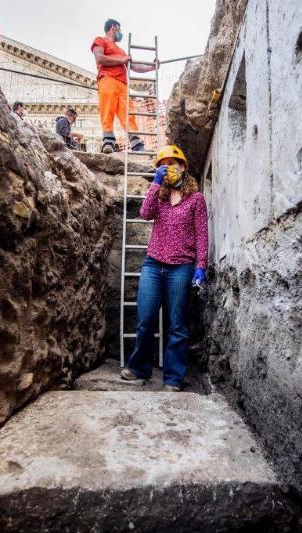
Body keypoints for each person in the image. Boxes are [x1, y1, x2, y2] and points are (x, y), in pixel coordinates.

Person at [120, 145, 208, 391]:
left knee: (177, 324)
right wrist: (155, 184)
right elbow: (145, 213)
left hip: (181, 267)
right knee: (145, 318)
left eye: (174, 163)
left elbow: (202, 234)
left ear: (183, 168)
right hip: (153, 264)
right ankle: (139, 368)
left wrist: (201, 266)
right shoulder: (159, 196)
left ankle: (173, 378)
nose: (169, 168)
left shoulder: (196, 199)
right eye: (163, 164)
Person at [91, 18, 157, 154]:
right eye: (119, 29)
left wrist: (152, 66)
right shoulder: (100, 40)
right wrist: (121, 60)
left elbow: (133, 66)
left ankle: (137, 144)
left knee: (128, 113)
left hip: (122, 84)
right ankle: (108, 142)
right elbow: (99, 58)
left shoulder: (121, 51)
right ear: (113, 27)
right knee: (107, 109)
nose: (120, 32)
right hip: (108, 79)